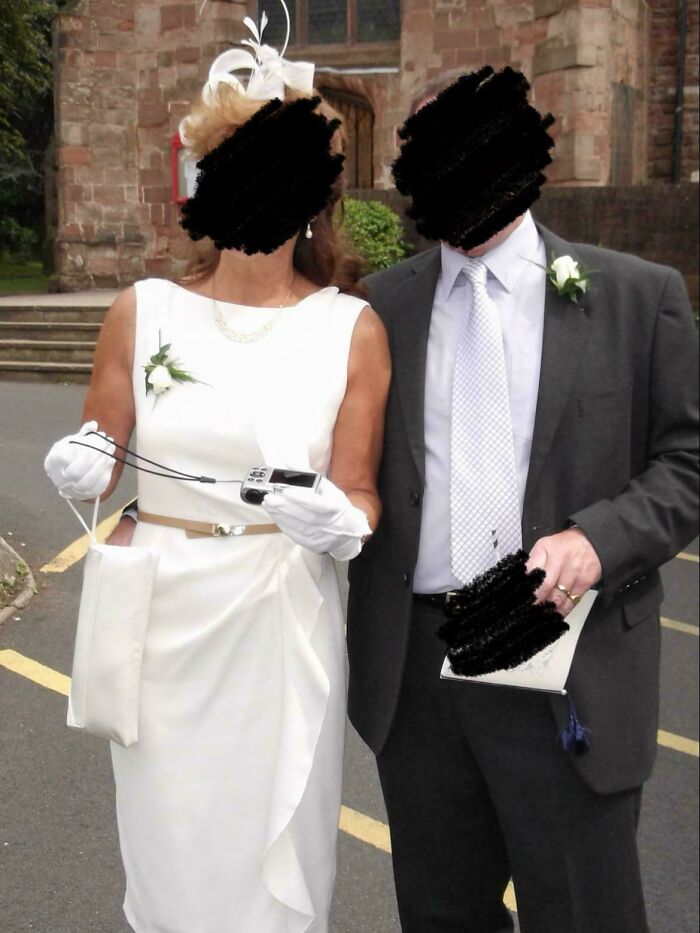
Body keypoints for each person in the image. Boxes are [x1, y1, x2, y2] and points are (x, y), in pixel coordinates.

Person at [44, 12, 391, 932]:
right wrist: (85, 463)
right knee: (173, 856)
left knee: (280, 857)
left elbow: (361, 490)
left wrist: (343, 521)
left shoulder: (349, 328)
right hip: (163, 627)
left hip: (281, 624)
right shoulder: (142, 310)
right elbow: (104, 448)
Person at [346, 66, 699, 933]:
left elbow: (686, 461)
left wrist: (598, 539)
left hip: (565, 658)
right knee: (442, 916)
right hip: (419, 674)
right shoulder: (377, 309)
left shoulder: (635, 296)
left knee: (584, 913)